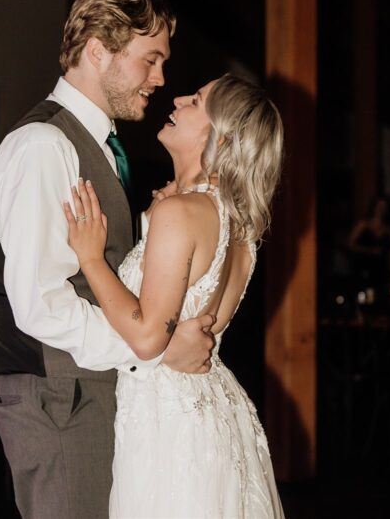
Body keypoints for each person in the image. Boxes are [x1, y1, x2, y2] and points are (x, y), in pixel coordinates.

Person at [0, 0, 217, 519]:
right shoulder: (42, 146)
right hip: (58, 396)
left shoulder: (97, 145)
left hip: (88, 392)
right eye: (150, 60)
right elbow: (40, 303)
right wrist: (149, 349)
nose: (161, 78)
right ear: (96, 50)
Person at [64, 73, 285, 517]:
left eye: (197, 100)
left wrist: (91, 259)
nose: (179, 98)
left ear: (220, 137)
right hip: (212, 411)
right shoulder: (238, 224)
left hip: (169, 424)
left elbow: (147, 339)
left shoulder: (180, 213)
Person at [346, 195, 390, 294]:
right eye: (379, 206)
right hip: (363, 267)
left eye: (384, 207)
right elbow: (350, 244)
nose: (381, 209)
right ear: (374, 206)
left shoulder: (389, 229)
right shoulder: (363, 224)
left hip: (380, 270)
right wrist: (369, 250)